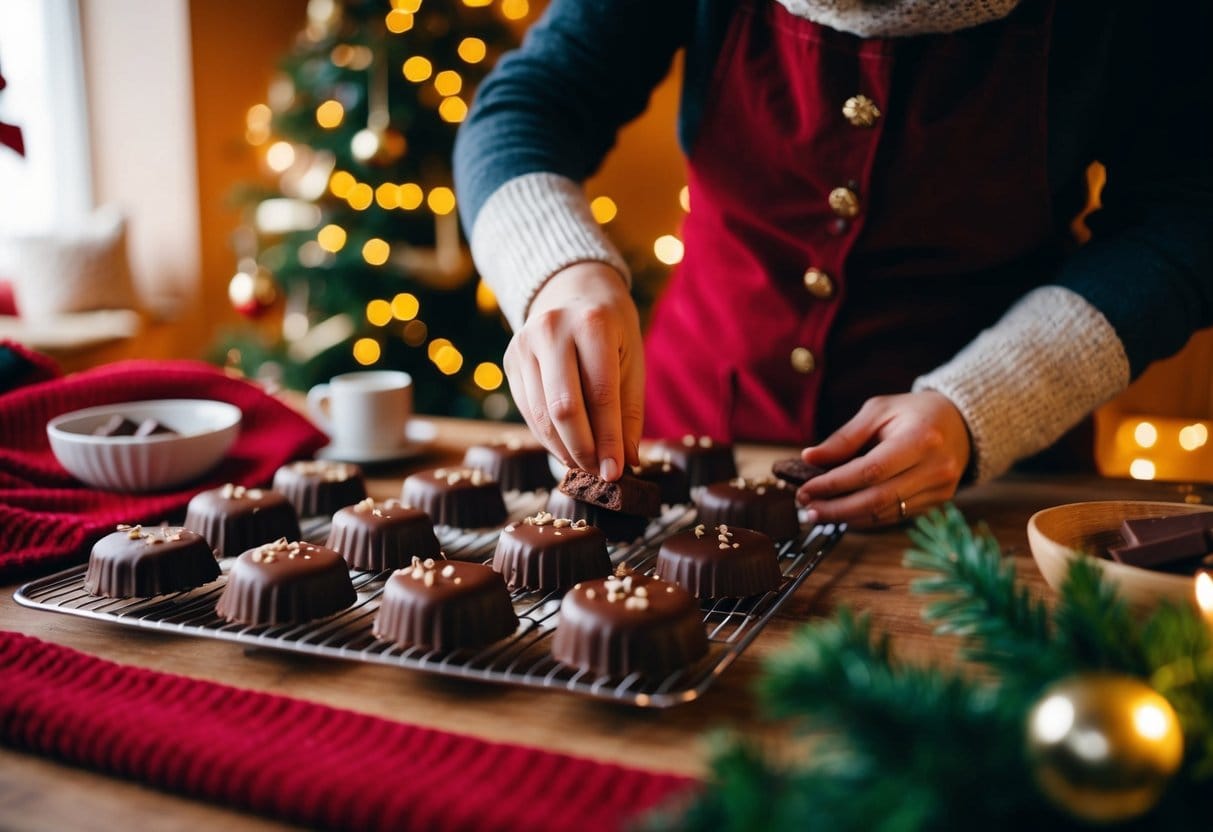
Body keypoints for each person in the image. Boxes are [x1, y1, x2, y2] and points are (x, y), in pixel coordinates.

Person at [453, 0, 1213, 528]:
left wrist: (984, 405)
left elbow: (1185, 215)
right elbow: (530, 103)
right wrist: (560, 270)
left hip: (1000, 483)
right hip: (686, 429)